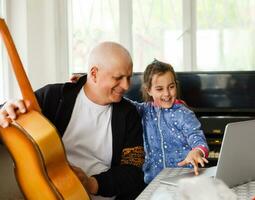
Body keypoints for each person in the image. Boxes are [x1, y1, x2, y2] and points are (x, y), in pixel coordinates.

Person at [0, 42, 146, 199]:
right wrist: (4, 109)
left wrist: (91, 183)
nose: (126, 86)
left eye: (129, 77)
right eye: (118, 78)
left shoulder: (129, 114)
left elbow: (133, 171)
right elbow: (11, 116)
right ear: (94, 74)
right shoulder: (53, 97)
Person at [128, 59, 209, 184]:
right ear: (149, 90)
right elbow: (125, 104)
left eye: (171, 87)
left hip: (184, 181)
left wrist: (197, 151)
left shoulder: (183, 113)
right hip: (153, 182)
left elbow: (196, 136)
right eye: (159, 89)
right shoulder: (144, 110)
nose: (167, 93)